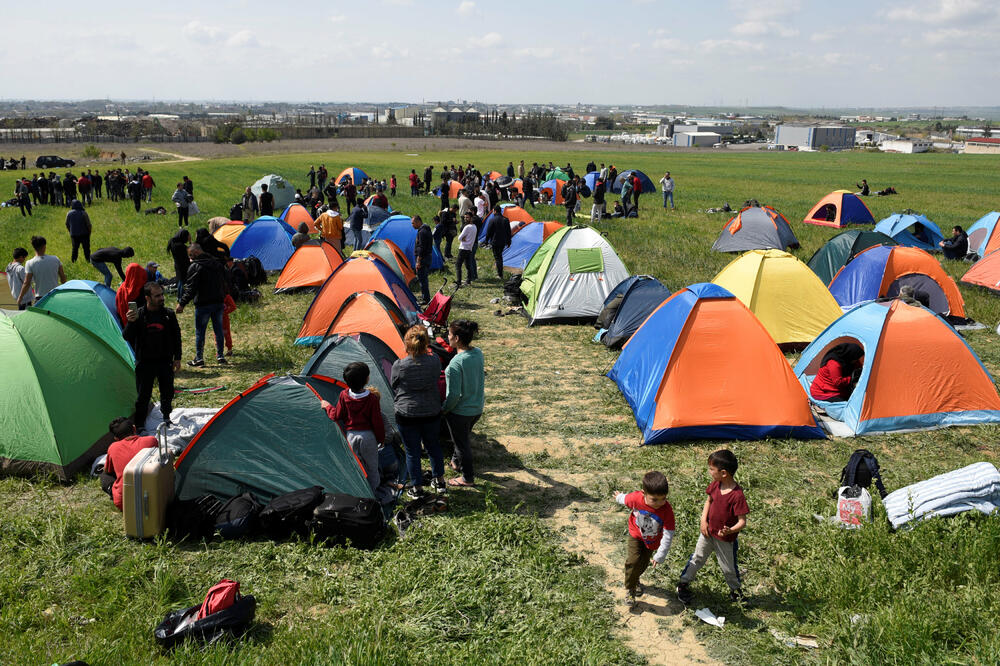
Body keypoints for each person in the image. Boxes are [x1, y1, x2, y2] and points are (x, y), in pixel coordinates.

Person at [676, 450, 750, 605]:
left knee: (728, 568)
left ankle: (735, 591)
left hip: (725, 539)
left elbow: (742, 521)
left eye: (711, 469)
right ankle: (683, 584)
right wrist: (703, 520)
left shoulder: (737, 495)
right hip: (707, 533)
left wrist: (731, 530)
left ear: (723, 473)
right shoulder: (716, 485)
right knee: (697, 558)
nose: (709, 472)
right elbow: (708, 501)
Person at [391, 326, 445, 498]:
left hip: (407, 414)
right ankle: (440, 481)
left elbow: (394, 384)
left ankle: (417, 488)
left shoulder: (400, 365)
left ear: (407, 344)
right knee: (433, 446)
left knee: (412, 452)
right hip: (431, 411)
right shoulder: (435, 360)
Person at [320, 362, 384, 495]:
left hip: (351, 436)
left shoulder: (344, 395)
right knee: (372, 466)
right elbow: (377, 422)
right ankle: (374, 492)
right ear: (366, 379)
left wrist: (327, 406)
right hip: (368, 437)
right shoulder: (371, 399)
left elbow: (336, 415)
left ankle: (360, 491)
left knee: (357, 466)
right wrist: (381, 438)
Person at [613, 471, 675, 607]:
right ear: (643, 493)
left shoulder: (667, 510)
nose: (659, 503)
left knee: (643, 563)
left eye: (663, 498)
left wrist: (661, 555)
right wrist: (618, 497)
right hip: (636, 535)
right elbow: (625, 499)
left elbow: (669, 532)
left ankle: (635, 578)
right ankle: (630, 589)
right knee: (633, 561)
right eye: (654, 499)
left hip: (652, 541)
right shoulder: (636, 498)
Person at [124, 281, 182, 425]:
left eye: (162, 294)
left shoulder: (168, 314)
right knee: (143, 396)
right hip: (145, 362)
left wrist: (177, 357)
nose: (162, 298)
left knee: (167, 393)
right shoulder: (139, 315)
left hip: (165, 361)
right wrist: (131, 322)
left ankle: (167, 417)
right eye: (157, 296)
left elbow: (177, 336)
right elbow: (127, 337)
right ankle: (140, 424)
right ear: (147, 298)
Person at [442, 320, 485, 487]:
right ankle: (456, 462)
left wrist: (444, 410)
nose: (448, 337)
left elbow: (453, 395)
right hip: (477, 408)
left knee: (462, 445)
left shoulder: (454, 365)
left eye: (449, 335)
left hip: (460, 413)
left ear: (457, 338)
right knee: (462, 438)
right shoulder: (478, 353)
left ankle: (467, 477)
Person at [175, 243, 227, 367]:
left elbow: (191, 288)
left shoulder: (195, 266)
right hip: (218, 302)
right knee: (218, 330)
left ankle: (199, 358)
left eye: (191, 255)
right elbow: (225, 281)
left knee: (200, 332)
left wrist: (182, 303)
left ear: (196, 253)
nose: (190, 258)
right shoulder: (216, 263)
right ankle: (220, 356)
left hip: (203, 304)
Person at [101, 418, 157, 511]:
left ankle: (115, 493)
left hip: (124, 503)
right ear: (134, 428)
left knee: (104, 475)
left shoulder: (113, 448)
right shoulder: (151, 441)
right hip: (154, 495)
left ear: (115, 438)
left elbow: (107, 470)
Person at [18, 236, 66, 304]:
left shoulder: (30, 263)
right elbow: (63, 278)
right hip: (55, 295)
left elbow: (27, 283)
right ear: (44, 246)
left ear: (34, 247)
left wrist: (20, 297)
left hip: (40, 297)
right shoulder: (55, 259)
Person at [484, 205, 512, 279]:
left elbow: (488, 231)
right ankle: (500, 273)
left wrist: (486, 241)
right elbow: (508, 232)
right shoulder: (506, 219)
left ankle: (500, 274)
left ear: (495, 211)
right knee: (500, 256)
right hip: (503, 241)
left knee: (498, 257)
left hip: (495, 241)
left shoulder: (492, 220)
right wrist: (509, 242)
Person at [412, 215, 433, 304]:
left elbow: (421, 247)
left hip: (423, 259)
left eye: (413, 223)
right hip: (428, 257)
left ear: (418, 222)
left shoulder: (422, 232)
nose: (412, 225)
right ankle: (425, 297)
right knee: (424, 279)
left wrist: (418, 261)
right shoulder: (427, 230)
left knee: (422, 279)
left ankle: (426, 299)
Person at [65, 199, 92, 263]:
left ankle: (73, 261)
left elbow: (66, 223)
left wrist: (70, 231)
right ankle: (88, 260)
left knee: (75, 249)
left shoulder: (69, 213)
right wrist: (89, 232)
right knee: (86, 249)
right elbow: (89, 224)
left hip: (74, 235)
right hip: (84, 234)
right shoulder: (83, 213)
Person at [166, 228, 191, 298]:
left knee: (180, 281)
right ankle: (180, 297)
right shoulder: (180, 246)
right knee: (182, 282)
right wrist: (190, 241)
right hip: (183, 266)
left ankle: (180, 297)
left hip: (178, 265)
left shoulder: (173, 242)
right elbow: (191, 250)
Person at [456, 211, 478, 286]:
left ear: (471, 218)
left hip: (463, 248)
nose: (465, 219)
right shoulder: (475, 227)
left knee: (458, 265)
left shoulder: (467, 227)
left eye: (467, 217)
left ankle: (458, 282)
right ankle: (468, 280)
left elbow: (459, 238)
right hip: (469, 248)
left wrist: (463, 238)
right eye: (465, 217)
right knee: (468, 265)